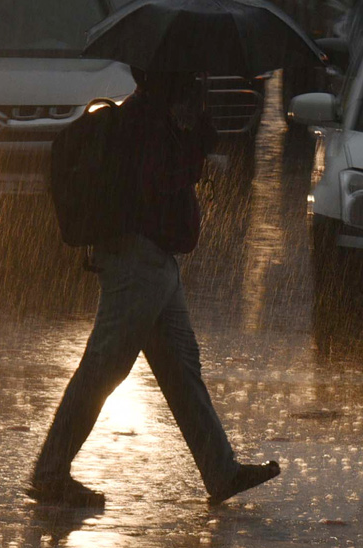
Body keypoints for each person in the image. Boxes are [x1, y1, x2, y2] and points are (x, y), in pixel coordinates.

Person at [28, 70, 280, 508]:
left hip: (155, 262)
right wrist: (197, 136)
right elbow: (163, 183)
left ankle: (220, 470)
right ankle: (50, 473)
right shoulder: (147, 125)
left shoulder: (152, 118)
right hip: (138, 261)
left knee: (181, 368)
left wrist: (194, 130)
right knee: (104, 366)